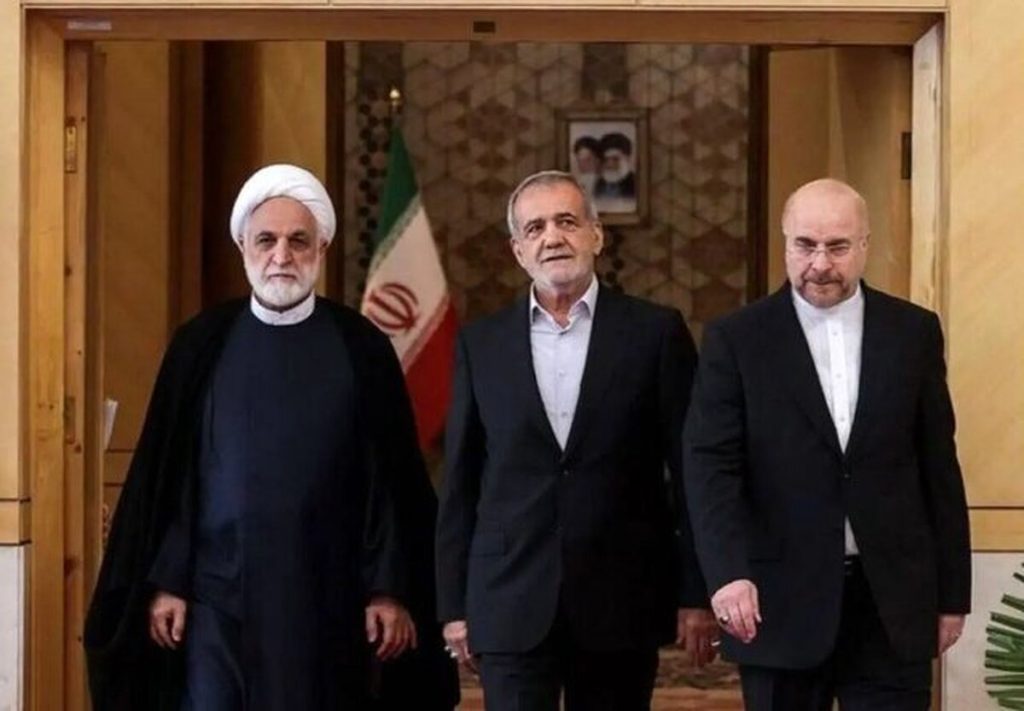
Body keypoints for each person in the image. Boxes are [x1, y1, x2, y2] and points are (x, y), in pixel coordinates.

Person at [84, 164, 458, 711]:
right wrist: (169, 580)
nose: (281, 255)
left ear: (321, 248)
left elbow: (389, 481)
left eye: (298, 241)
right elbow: (174, 476)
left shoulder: (361, 347)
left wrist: (387, 588)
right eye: (266, 240)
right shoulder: (201, 345)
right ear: (243, 247)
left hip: (327, 599)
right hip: (215, 601)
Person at [683, 178, 971, 710]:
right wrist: (726, 575)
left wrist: (953, 596)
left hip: (890, 604)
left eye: (837, 247)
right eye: (805, 245)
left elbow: (938, 467)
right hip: (777, 601)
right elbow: (710, 469)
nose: (820, 263)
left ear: (864, 245)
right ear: (785, 243)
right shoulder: (737, 338)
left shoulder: (913, 332)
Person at [436, 170, 717, 711]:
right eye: (535, 228)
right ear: (518, 250)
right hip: (509, 598)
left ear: (596, 234)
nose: (552, 238)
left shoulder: (655, 333)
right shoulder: (481, 345)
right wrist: (454, 605)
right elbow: (461, 484)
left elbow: (692, 472)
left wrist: (696, 591)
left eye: (566, 221)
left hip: (621, 600)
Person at [593, 132, 636, 202]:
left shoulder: (637, 184)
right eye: (606, 160)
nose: (610, 165)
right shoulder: (599, 184)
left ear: (627, 159)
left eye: (615, 159)